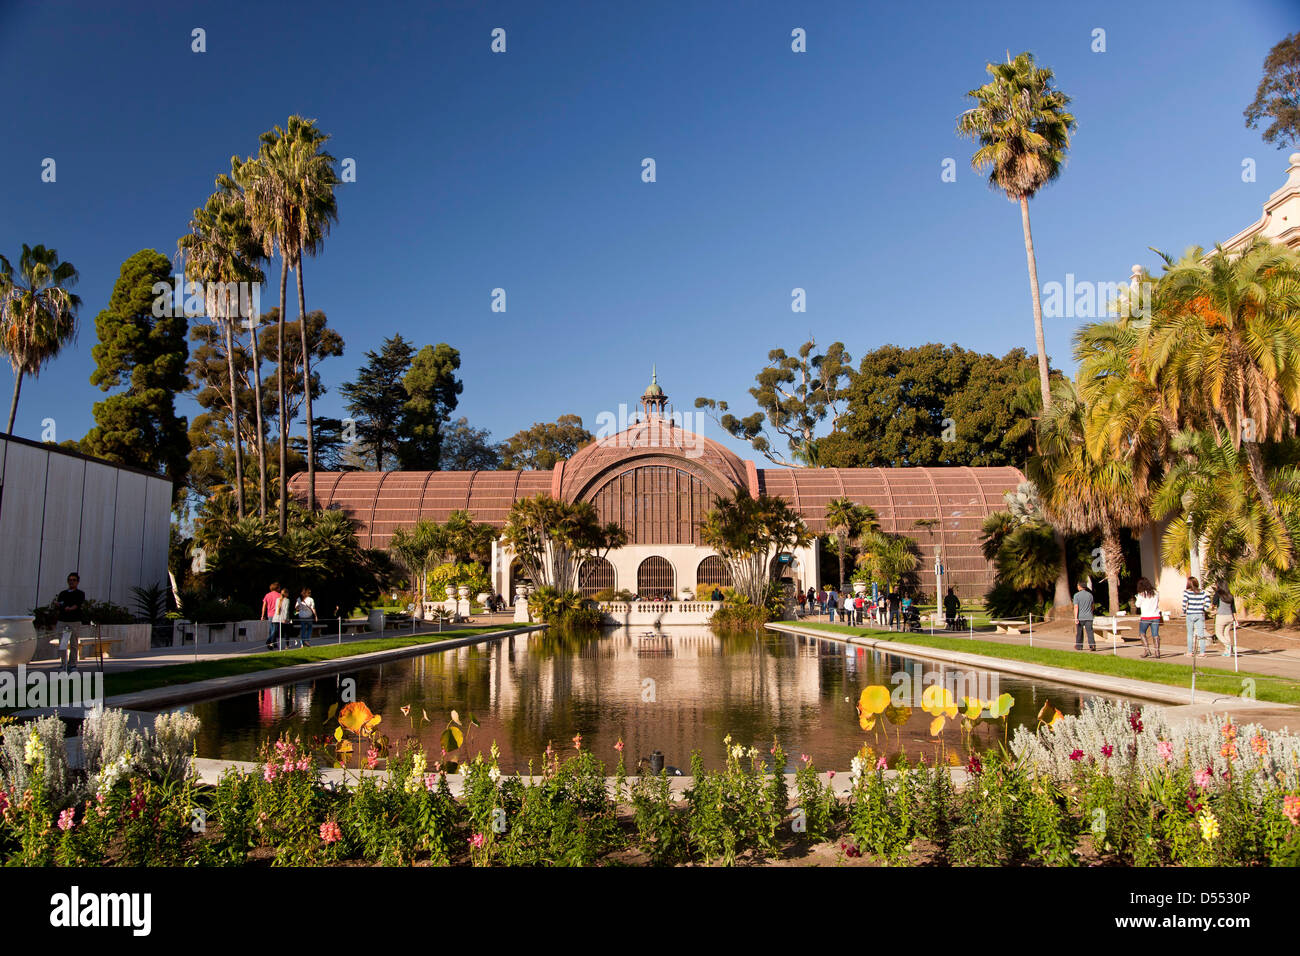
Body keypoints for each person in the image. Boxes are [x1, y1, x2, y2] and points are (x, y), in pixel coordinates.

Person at [1182, 576, 1211, 658]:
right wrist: (1203, 609)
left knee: (1190, 633)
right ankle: (1202, 652)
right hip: (1199, 613)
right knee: (1201, 633)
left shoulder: (1186, 592)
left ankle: (1190, 652)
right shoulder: (1202, 592)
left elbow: (1184, 603)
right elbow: (1208, 601)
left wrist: (1184, 611)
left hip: (1190, 613)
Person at [1135, 577, 1162, 659]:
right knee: (1155, 634)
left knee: (1142, 633)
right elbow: (1158, 602)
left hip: (1146, 617)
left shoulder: (1141, 594)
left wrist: (1137, 598)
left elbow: (1137, 605)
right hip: (1155, 616)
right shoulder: (1156, 593)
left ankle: (1147, 650)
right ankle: (1157, 651)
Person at [1213, 585, 1237, 657]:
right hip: (1230, 616)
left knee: (1218, 633)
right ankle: (1228, 651)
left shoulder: (1218, 594)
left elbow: (1214, 603)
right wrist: (1236, 619)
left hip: (1221, 616)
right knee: (1226, 634)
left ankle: (1228, 645)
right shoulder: (1230, 596)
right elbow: (1233, 609)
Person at [1072, 580, 1096, 651]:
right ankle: (1092, 645)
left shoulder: (1076, 595)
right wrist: (1090, 612)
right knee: (1090, 632)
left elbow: (1076, 607)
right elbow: (1092, 606)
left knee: (1079, 632)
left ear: (1079, 586)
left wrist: (1076, 617)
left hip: (1080, 617)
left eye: (1077, 585)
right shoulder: (1090, 595)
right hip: (1089, 617)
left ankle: (1079, 646)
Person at [262, 583, 282, 650]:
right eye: (279, 588)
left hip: (269, 614)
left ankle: (273, 644)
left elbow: (264, 606)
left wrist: (262, 615)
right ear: (277, 588)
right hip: (276, 614)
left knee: (271, 629)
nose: (280, 589)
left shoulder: (267, 595)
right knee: (275, 630)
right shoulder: (279, 595)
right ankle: (269, 641)